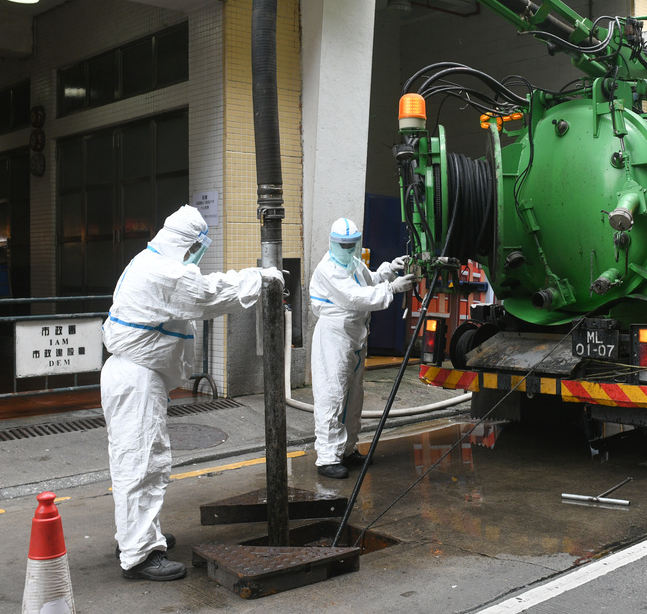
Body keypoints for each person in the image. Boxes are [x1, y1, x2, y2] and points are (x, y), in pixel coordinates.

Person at [102, 205, 283, 581]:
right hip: (136, 379)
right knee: (142, 465)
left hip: (135, 376)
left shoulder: (150, 262)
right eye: (196, 249)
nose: (196, 257)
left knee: (137, 461)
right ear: (187, 244)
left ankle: (139, 536)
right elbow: (205, 294)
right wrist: (259, 278)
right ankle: (139, 555)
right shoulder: (163, 272)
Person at [309, 218, 415, 479]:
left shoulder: (353, 263)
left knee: (353, 397)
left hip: (354, 335)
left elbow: (369, 281)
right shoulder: (328, 269)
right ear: (333, 243)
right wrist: (392, 288)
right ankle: (327, 458)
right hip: (334, 335)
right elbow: (355, 297)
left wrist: (389, 269)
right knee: (332, 395)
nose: (347, 249)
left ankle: (347, 450)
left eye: (351, 244)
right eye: (343, 245)